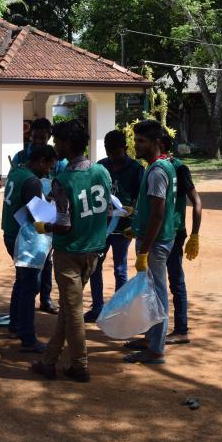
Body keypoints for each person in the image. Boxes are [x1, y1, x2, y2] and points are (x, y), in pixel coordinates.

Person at [30, 120, 111, 382]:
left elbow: (63, 225)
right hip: (94, 249)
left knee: (74, 311)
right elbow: (108, 210)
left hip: (69, 251)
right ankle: (49, 360)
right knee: (68, 307)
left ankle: (80, 365)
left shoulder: (63, 180)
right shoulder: (102, 172)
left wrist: (45, 226)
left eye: (58, 142)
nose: (55, 146)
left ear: (67, 144)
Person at [122, 120, 177, 364]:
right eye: (136, 140)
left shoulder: (156, 171)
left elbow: (158, 213)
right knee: (152, 292)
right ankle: (151, 339)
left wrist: (144, 249)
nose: (136, 145)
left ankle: (156, 349)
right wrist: (135, 227)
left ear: (156, 143)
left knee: (156, 294)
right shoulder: (162, 165)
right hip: (154, 238)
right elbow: (150, 211)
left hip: (155, 243)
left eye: (141, 141)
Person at [1, 144, 57, 353]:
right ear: (41, 160)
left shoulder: (17, 171)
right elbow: (37, 215)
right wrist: (54, 211)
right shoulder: (32, 181)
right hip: (23, 238)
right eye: (48, 167)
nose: (48, 172)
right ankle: (27, 336)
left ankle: (15, 325)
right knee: (29, 286)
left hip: (10, 232)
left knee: (22, 282)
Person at [84, 130, 144, 322]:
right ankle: (97, 307)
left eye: (117, 153)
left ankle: (119, 309)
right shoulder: (101, 166)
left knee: (120, 268)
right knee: (95, 266)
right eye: (109, 153)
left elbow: (142, 198)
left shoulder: (136, 169)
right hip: (101, 227)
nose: (113, 158)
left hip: (123, 228)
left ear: (125, 149)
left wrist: (132, 210)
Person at [11, 117, 63, 315]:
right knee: (27, 272)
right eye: (35, 137)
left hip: (46, 213)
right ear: (29, 136)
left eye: (43, 137)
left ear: (49, 136)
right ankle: (22, 318)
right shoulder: (21, 157)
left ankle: (45, 297)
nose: (39, 141)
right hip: (30, 220)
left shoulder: (57, 159)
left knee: (46, 261)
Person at [161, 133, 202, 345]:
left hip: (174, 233)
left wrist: (194, 235)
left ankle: (181, 329)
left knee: (175, 281)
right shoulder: (153, 168)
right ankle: (155, 330)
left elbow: (196, 202)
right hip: (156, 234)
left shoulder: (179, 168)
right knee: (154, 282)